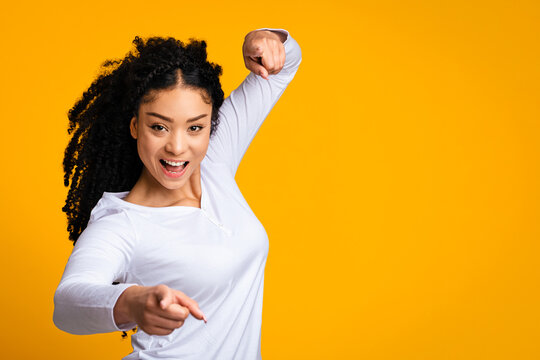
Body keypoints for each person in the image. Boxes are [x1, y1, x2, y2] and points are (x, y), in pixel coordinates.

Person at [53, 27, 301, 360]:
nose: (178, 146)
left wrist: (265, 38)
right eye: (159, 126)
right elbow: (67, 304)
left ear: (210, 126)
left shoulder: (214, 161)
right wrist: (133, 302)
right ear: (135, 126)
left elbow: (283, 65)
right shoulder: (122, 223)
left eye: (195, 127)